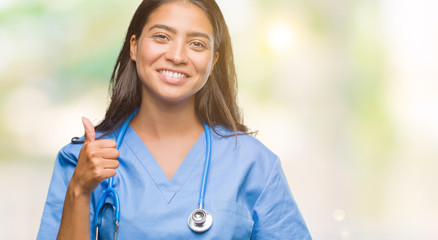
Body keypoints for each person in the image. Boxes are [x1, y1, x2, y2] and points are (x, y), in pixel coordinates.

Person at [37, 0, 311, 239]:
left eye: (197, 44)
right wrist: (79, 191)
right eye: (161, 37)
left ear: (213, 61)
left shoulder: (254, 165)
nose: (177, 56)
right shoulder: (83, 160)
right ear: (134, 46)